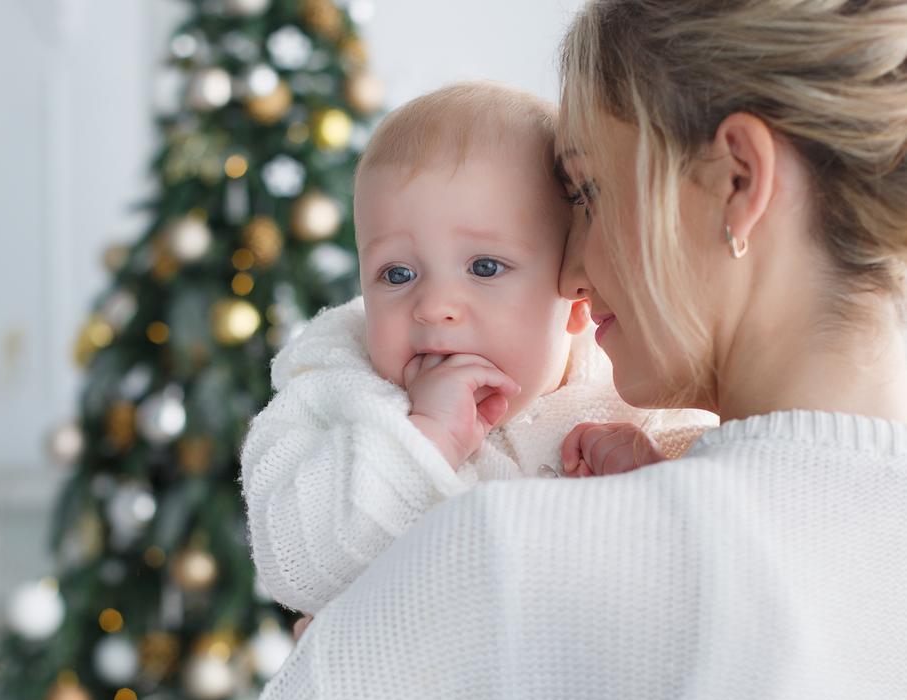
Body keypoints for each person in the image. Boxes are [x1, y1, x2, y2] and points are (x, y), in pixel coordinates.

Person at [148, 1, 907, 700]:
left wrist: (381, 643)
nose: (572, 273)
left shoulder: (509, 555)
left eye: (589, 190)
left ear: (739, 179)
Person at [241, 81, 713, 617]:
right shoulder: (335, 394)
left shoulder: (633, 400)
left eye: (485, 268)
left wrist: (647, 492)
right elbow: (297, 565)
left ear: (576, 294)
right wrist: (426, 438)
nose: (434, 305)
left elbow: (685, 594)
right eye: (397, 274)